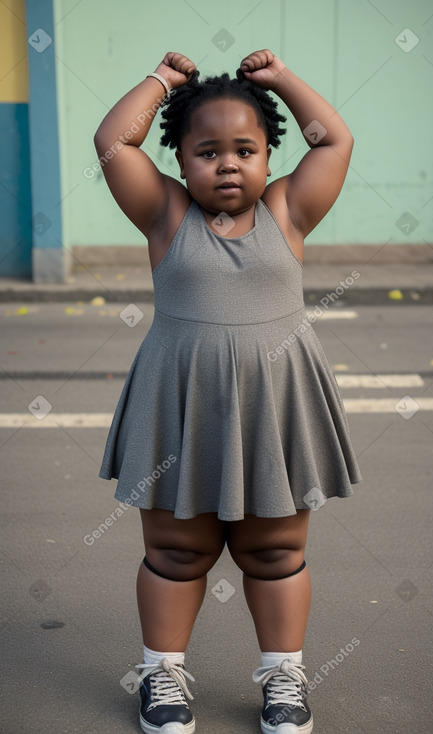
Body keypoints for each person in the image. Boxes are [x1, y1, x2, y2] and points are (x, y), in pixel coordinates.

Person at [95, 49, 362, 734]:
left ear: (270, 156)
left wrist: (279, 81)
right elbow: (113, 142)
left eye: (245, 148)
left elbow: (333, 139)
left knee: (274, 551)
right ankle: (162, 673)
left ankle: (283, 676)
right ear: (181, 163)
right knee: (175, 551)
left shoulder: (288, 211)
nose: (227, 163)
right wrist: (159, 82)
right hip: (179, 405)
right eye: (206, 150)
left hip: (274, 407)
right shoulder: (165, 216)